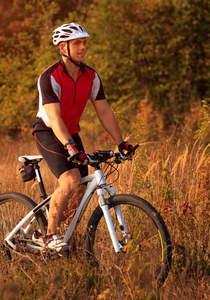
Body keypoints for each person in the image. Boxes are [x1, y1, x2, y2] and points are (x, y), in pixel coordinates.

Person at [31, 22, 135, 253]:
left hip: (72, 132)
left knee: (80, 189)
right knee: (69, 180)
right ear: (62, 47)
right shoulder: (50, 77)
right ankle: (48, 235)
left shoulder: (91, 76)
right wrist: (69, 146)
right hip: (49, 132)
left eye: (84, 43)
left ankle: (66, 234)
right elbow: (55, 118)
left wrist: (121, 143)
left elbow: (104, 111)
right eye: (76, 43)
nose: (82, 48)